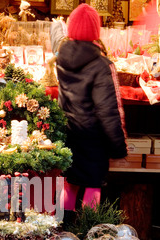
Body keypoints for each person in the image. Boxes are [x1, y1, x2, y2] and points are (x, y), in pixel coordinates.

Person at [50, 4, 128, 227]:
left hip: (69, 133)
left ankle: (62, 231)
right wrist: (118, 146)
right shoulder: (102, 65)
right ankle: (86, 234)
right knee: (92, 185)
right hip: (94, 138)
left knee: (71, 182)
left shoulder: (61, 60)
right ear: (96, 31)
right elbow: (109, 110)